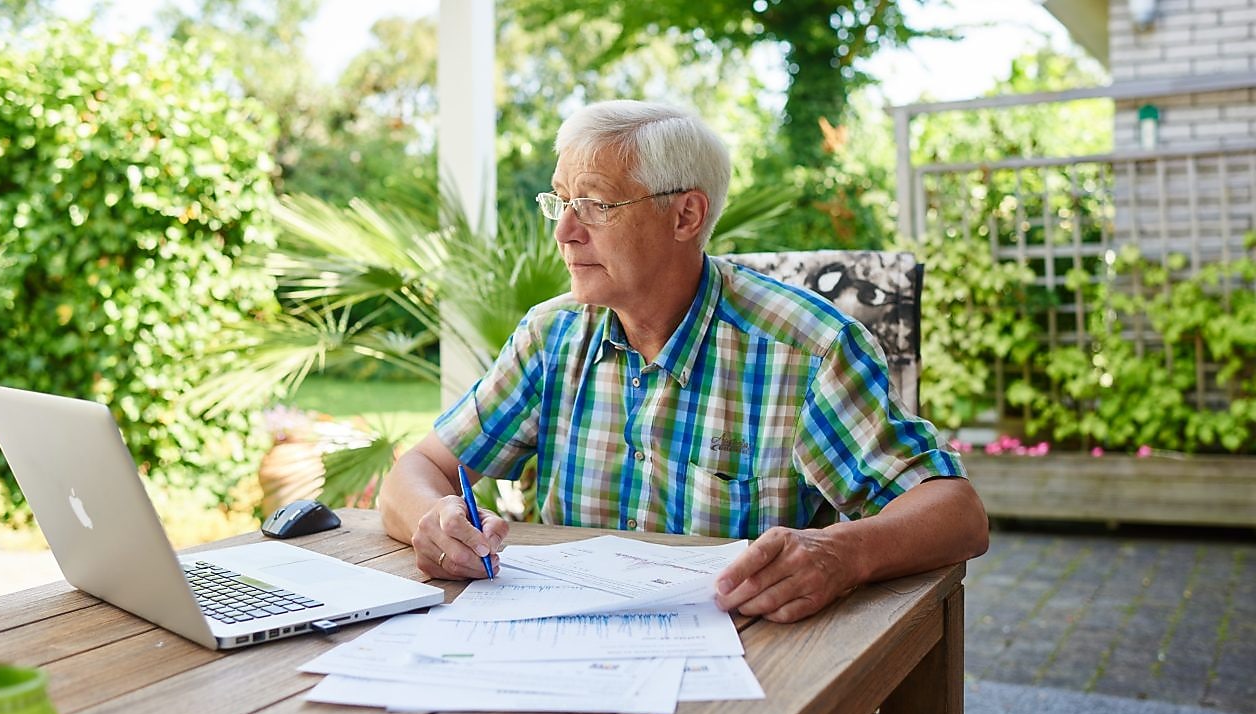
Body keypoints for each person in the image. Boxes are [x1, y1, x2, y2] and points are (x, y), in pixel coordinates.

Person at [378, 99, 989, 623]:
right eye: (559, 201)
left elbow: (957, 515)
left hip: (755, 662)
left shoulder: (809, 349)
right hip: (561, 649)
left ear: (686, 215)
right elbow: (418, 469)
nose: (564, 232)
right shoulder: (553, 334)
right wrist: (434, 518)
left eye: (593, 204)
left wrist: (842, 553)